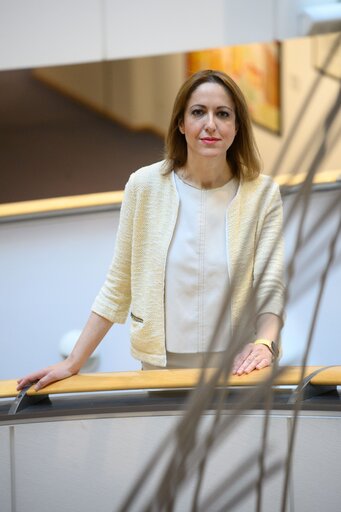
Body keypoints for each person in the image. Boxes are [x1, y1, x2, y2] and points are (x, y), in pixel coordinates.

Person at [17, 69, 285, 392]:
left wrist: (265, 344)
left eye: (223, 114)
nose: (210, 124)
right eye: (198, 112)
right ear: (181, 124)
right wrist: (74, 361)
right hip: (163, 367)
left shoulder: (263, 194)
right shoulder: (144, 187)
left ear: (237, 126)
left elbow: (271, 286)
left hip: (238, 367)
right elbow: (119, 284)